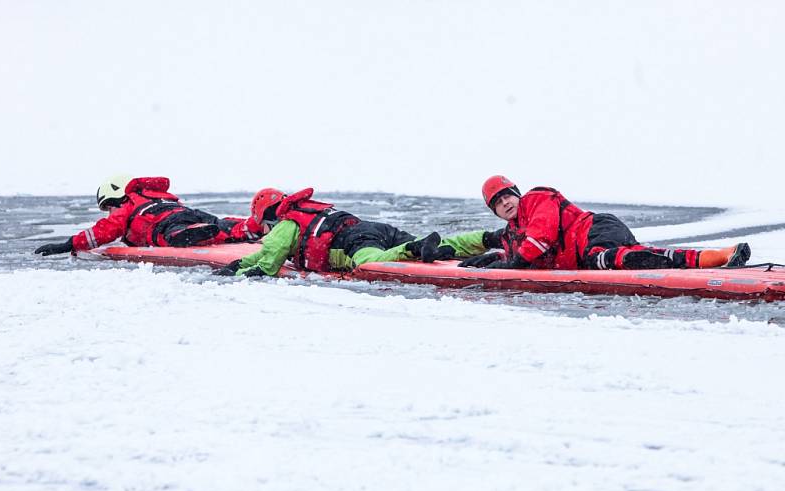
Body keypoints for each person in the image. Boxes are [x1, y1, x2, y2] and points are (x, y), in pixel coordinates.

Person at [457, 175, 751, 270]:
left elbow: (539, 239)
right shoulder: (512, 234)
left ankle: (719, 256)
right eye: (496, 203)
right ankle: (717, 256)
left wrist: (509, 265)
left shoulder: (537, 199)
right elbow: (517, 254)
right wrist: (492, 260)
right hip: (587, 249)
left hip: (595, 231)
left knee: (605, 259)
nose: (504, 203)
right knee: (633, 257)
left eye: (507, 196)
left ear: (516, 195)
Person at [213, 187, 491, 277]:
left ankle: (414, 250)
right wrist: (239, 261)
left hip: (352, 242)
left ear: (267, 217)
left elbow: (270, 262)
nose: (264, 230)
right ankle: (485, 240)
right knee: (439, 247)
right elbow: (264, 254)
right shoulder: (306, 214)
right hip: (372, 228)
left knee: (371, 264)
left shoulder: (284, 226)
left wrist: (240, 273)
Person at [34, 175, 261, 256]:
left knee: (170, 235)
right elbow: (179, 209)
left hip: (163, 224)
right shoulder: (158, 195)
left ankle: (191, 234)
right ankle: (254, 226)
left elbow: (105, 231)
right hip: (187, 212)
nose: (109, 212)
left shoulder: (128, 206)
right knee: (221, 225)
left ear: (116, 197)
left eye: (108, 208)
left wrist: (69, 244)